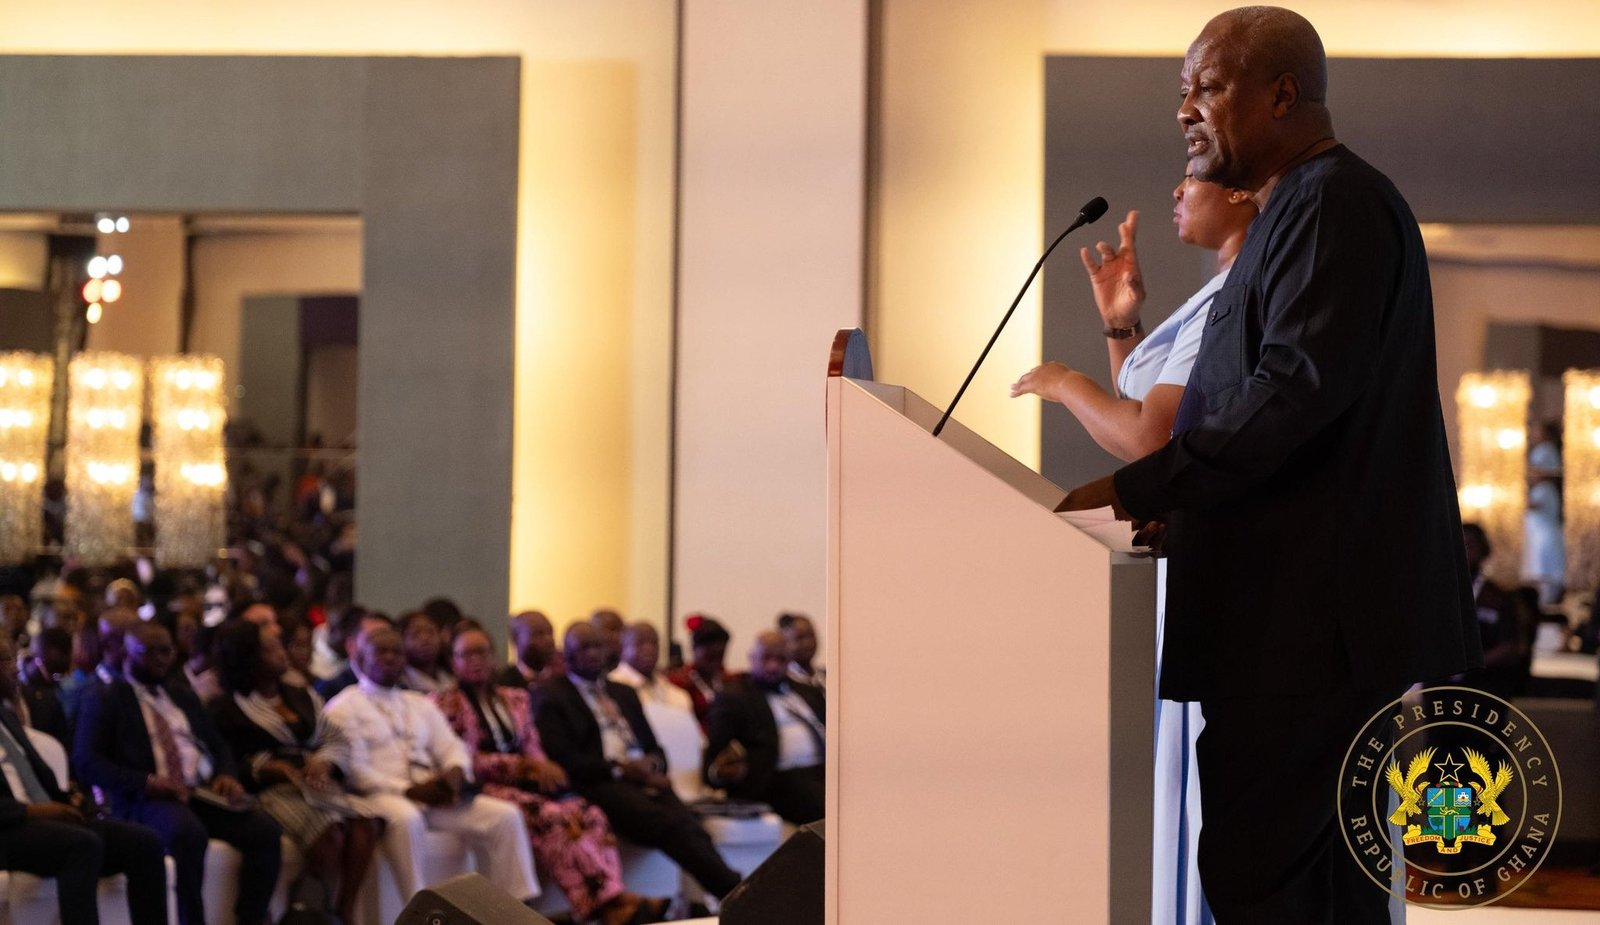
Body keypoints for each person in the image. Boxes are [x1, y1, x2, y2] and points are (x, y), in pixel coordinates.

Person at [1059, 9, 1481, 922]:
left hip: (1306, 634)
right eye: (1184, 91)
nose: (1184, 110)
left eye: (1207, 86)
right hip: (1301, 628)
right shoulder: (1303, 207)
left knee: (1265, 883)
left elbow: (1293, 393)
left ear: (1282, 94)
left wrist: (1139, 487)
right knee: (1320, 895)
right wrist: (1185, 503)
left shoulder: (1329, 202)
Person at [1013, 168, 1255, 925]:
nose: (1177, 192)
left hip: (1207, 571)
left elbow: (1151, 439)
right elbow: (1156, 414)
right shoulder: (1216, 288)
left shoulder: (1241, 290)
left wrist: (1064, 383)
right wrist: (1123, 327)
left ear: (1243, 191)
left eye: (1193, 176)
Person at [434, 625, 669, 925]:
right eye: (466, 654)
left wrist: (543, 767)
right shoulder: (444, 702)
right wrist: (523, 767)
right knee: (551, 817)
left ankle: (614, 898)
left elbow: (531, 743)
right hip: (483, 787)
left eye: (482, 652)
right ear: (453, 661)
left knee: (589, 812)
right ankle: (607, 906)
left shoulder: (514, 697)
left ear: (494, 656)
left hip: (527, 784)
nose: (476, 660)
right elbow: (463, 756)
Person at [73, 622, 284, 925]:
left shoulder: (181, 695)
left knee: (265, 831)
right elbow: (86, 761)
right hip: (145, 797)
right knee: (187, 834)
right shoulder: (106, 697)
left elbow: (218, 744)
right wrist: (145, 782)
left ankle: (251, 919)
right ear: (126, 653)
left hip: (200, 791)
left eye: (167, 651)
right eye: (150, 652)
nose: (162, 659)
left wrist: (226, 774)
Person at [324, 626, 538, 905]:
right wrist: (408, 790)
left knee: (505, 816)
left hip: (431, 794)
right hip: (380, 796)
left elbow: (452, 747)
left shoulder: (419, 703)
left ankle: (514, 909)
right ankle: (417, 908)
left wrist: (455, 772)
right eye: (381, 652)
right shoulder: (343, 706)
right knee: (408, 818)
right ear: (361, 659)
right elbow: (355, 771)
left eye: (396, 652)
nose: (390, 658)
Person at [536, 623, 742, 900]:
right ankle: (733, 891)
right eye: (585, 648)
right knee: (670, 826)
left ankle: (726, 893)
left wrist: (653, 768)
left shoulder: (623, 692)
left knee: (691, 824)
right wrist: (620, 770)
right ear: (568, 654)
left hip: (643, 778)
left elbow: (654, 747)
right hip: (600, 782)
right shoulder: (551, 694)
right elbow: (563, 757)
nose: (594, 653)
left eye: (598, 646)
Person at [207, 619, 385, 925]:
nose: (282, 653)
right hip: (269, 791)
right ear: (248, 657)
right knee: (330, 833)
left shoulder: (301, 694)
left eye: (279, 645)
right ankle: (311, 914)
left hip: (315, 783)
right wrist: (271, 767)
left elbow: (335, 738)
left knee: (365, 826)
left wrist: (324, 761)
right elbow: (226, 759)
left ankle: (345, 911)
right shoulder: (226, 707)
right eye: (270, 649)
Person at [0, 635, 170, 925]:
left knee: (145, 842)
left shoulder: (7, 717)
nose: (17, 668)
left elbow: (38, 778)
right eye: (7, 661)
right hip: (9, 828)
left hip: (42, 820)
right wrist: (33, 812)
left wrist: (69, 798)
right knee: (81, 845)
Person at [703, 631, 825, 826]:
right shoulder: (734, 697)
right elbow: (713, 763)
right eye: (766, 658)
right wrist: (725, 770)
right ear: (752, 658)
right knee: (831, 806)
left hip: (824, 773)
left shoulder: (808, 692)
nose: (773, 666)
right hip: (776, 781)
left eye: (780, 659)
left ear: (789, 661)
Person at [1459, 523, 1529, 700]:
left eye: (1470, 545)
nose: (1464, 552)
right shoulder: (1436, 595)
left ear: (1483, 550)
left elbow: (1511, 646)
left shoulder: (1498, 597)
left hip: (1485, 685)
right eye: (1459, 545)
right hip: (1442, 686)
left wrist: (1471, 665)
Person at [664, 614, 733, 728]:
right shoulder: (679, 682)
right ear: (694, 648)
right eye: (710, 657)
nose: (716, 662)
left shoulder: (729, 681)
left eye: (720, 656)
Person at [611, 622, 695, 713]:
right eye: (640, 643)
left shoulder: (677, 694)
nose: (649, 649)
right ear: (623, 648)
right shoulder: (612, 686)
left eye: (654, 643)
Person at [498, 609, 563, 690]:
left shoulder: (562, 678)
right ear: (516, 638)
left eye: (550, 632)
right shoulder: (503, 684)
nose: (549, 640)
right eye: (538, 634)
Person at [399, 609, 455, 693]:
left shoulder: (451, 679)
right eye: (416, 633)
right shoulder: (400, 684)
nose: (425, 638)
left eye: (431, 631)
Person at [776, 613, 825, 690]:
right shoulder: (782, 682)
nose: (808, 643)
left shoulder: (827, 676)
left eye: (811, 636)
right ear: (784, 643)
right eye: (800, 638)